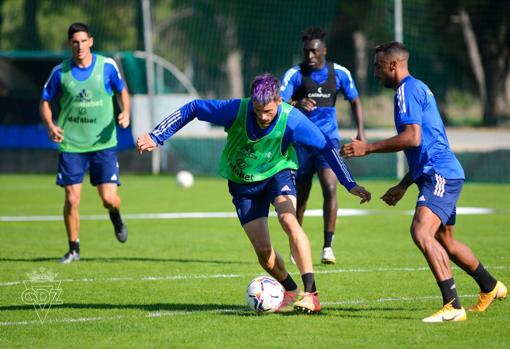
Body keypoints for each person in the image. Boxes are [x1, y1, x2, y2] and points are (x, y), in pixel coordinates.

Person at [137, 74, 371, 313]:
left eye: (268, 111)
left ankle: (311, 293)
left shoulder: (293, 120)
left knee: (289, 219)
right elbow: (194, 108)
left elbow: (326, 146)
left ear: (280, 101)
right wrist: (157, 135)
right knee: (264, 253)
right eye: (257, 110)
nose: (262, 116)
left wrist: (349, 183)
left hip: (278, 173)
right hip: (243, 184)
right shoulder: (236, 109)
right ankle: (289, 290)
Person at [341, 41, 507, 322]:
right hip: (437, 172)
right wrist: (404, 185)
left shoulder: (406, 90)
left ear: (393, 65)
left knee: (421, 232)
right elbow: (423, 142)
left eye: (378, 66)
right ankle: (491, 287)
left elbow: (413, 138)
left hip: (439, 174)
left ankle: (452, 306)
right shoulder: (415, 88)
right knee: (446, 241)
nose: (375, 72)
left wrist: (367, 148)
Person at [40, 22, 130, 264]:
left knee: (109, 199)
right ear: (70, 44)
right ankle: (73, 249)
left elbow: (122, 91)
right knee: (72, 199)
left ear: (91, 41)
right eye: (75, 42)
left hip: (103, 143)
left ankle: (116, 216)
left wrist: (126, 112)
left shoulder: (107, 66)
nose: (79, 46)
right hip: (72, 145)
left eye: (83, 41)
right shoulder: (61, 72)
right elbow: (45, 101)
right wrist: (50, 125)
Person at [280, 27, 366, 265]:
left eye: (314, 51)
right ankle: (295, 245)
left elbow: (355, 100)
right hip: (300, 143)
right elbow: (278, 101)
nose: (310, 56)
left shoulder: (339, 73)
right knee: (302, 196)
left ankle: (328, 247)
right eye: (306, 51)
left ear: (324, 51)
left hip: (328, 142)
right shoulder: (294, 74)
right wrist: (296, 103)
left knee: (330, 187)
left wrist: (361, 132)